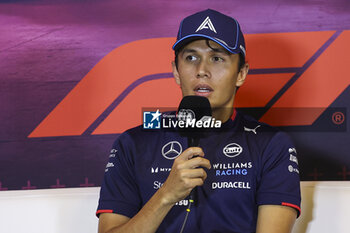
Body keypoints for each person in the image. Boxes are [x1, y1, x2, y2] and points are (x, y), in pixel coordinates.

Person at [96, 9, 301, 233]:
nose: (202, 71)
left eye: (217, 58)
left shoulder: (271, 144)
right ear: (176, 71)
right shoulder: (133, 142)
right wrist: (166, 195)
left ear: (241, 73)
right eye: (191, 58)